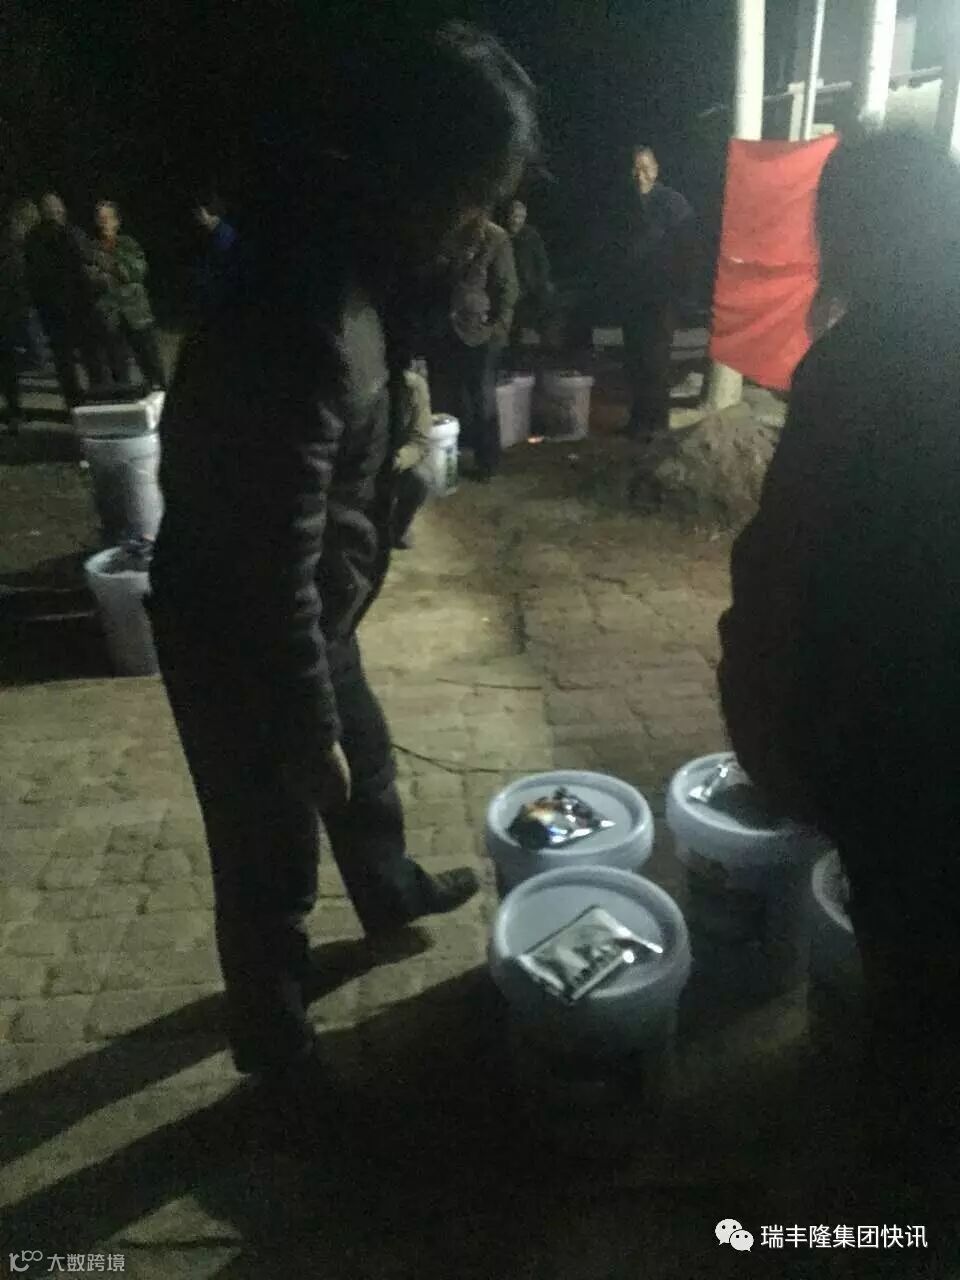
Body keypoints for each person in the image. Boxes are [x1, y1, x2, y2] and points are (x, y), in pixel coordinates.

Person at [147, 21, 539, 1099]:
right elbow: (264, 548)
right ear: (415, 174)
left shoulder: (348, 257)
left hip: (313, 608)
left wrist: (394, 461)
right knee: (267, 842)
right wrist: (302, 718)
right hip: (240, 628)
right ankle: (272, 1038)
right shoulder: (303, 305)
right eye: (469, 196)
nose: (475, 224)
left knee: (364, 761)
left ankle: (389, 888)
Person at [717, 131, 960, 1175]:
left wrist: (758, 691)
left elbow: (790, 555)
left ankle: (903, 1166)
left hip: (899, 712)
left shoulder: (857, 367)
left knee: (909, 940)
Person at [426, 211, 518, 481]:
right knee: (452, 392)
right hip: (450, 328)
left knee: (482, 395)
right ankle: (456, 450)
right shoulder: (449, 235)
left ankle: (488, 461)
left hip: (483, 331)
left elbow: (508, 288)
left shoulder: (495, 238)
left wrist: (498, 328)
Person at [615, 146, 692, 440]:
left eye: (646, 168)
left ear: (656, 170)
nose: (640, 175)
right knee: (634, 358)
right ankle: (638, 421)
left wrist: (679, 288)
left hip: (662, 297)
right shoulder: (624, 204)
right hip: (632, 295)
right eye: (635, 169)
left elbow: (687, 248)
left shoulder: (672, 203)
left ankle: (657, 424)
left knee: (656, 361)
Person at [24, 193, 106, 409]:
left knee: (68, 360)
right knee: (87, 356)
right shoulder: (69, 233)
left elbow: (32, 276)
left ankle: (77, 403)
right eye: (55, 209)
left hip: (56, 309)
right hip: (75, 307)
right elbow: (87, 263)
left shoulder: (34, 239)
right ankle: (99, 399)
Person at [86, 200, 166, 391]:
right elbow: (87, 278)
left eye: (108, 218)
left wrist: (113, 267)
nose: (104, 222)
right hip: (110, 316)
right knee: (118, 367)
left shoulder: (128, 244)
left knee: (151, 363)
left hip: (136, 313)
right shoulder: (91, 248)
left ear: (117, 221)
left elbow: (138, 271)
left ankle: (161, 396)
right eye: (100, 218)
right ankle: (124, 398)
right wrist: (100, 277)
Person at [0, 199, 41, 434]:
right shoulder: (13, 247)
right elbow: (15, 280)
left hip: (10, 311)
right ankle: (15, 412)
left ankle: (15, 412)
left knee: (8, 365)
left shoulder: (16, 246)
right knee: (11, 363)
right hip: (9, 312)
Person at [391, 361, 435, 550]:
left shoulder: (413, 387)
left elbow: (419, 442)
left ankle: (396, 530)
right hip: (357, 463)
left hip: (390, 463)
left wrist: (397, 460)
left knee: (421, 479)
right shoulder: (359, 383)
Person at [505, 197, 553, 356]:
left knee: (547, 299)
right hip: (507, 283)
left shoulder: (531, 235)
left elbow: (543, 263)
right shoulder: (501, 236)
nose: (516, 220)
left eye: (520, 217)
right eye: (514, 216)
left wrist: (539, 282)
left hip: (529, 284)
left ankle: (545, 346)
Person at [193, 194, 239, 315]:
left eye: (199, 212)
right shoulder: (210, 234)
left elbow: (224, 266)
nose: (196, 216)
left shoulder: (224, 235)